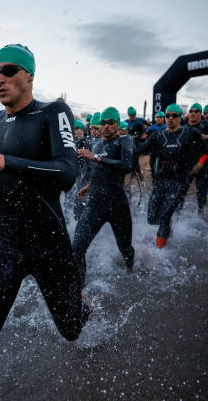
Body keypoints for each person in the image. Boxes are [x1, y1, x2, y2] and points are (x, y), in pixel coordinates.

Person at [0, 44, 89, 400]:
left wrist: (1, 162)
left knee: (71, 328)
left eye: (8, 71)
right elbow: (1, 172)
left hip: (48, 244)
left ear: (29, 75)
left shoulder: (52, 112)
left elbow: (66, 173)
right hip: (4, 243)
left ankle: (82, 307)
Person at [73, 107, 135, 284]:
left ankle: (130, 268)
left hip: (117, 205)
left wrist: (96, 158)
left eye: (111, 122)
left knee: (125, 247)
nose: (106, 126)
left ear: (117, 124)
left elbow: (126, 165)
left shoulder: (125, 140)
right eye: (104, 122)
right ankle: (79, 289)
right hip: (95, 204)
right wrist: (89, 185)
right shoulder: (97, 144)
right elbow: (97, 170)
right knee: (77, 246)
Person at [134, 103, 208, 248]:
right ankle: (168, 229)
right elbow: (140, 150)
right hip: (161, 180)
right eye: (168, 115)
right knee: (151, 217)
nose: (170, 118)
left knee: (164, 215)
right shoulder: (158, 135)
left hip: (179, 180)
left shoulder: (190, 132)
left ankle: (160, 251)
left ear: (179, 117)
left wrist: (200, 163)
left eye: (174, 115)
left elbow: (206, 149)